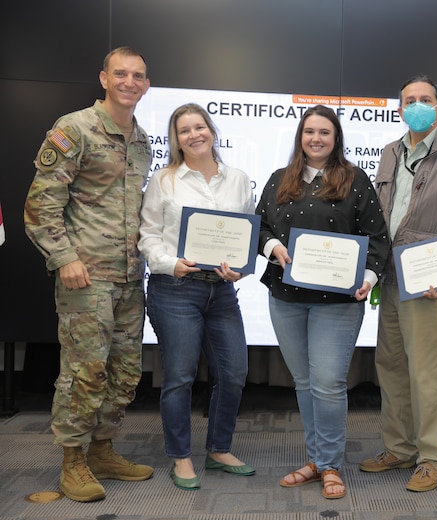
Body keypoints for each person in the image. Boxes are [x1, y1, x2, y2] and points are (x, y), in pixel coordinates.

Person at [23, 46, 154, 502]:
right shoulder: (73, 129)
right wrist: (64, 259)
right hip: (86, 278)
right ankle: (72, 461)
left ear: (146, 84)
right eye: (121, 73)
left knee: (125, 371)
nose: (129, 82)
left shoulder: (141, 140)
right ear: (104, 78)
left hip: (129, 278)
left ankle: (102, 449)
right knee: (85, 372)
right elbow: (41, 205)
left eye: (138, 76)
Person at [257, 104, 390, 500]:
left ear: (336, 139)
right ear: (301, 136)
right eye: (309, 131)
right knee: (303, 381)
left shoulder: (355, 180)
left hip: (339, 301)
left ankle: (330, 464)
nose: (316, 138)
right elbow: (260, 225)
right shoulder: (280, 179)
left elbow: (377, 238)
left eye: (325, 132)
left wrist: (367, 279)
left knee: (329, 384)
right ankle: (315, 459)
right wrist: (274, 246)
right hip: (286, 296)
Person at [358, 75, 437, 492]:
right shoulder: (390, 153)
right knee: (391, 368)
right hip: (390, 279)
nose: (417, 105)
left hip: (432, 284)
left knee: (428, 373)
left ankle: (434, 459)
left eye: (425, 99)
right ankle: (399, 448)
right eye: (410, 100)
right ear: (399, 110)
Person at [139, 103, 255, 490]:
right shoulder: (164, 180)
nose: (194, 135)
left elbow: (246, 236)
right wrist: (171, 263)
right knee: (179, 377)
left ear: (211, 131)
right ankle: (181, 456)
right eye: (184, 130)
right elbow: (148, 235)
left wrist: (240, 266)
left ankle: (219, 450)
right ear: (176, 139)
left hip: (221, 290)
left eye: (199, 127)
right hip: (175, 289)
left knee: (234, 372)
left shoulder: (237, 178)